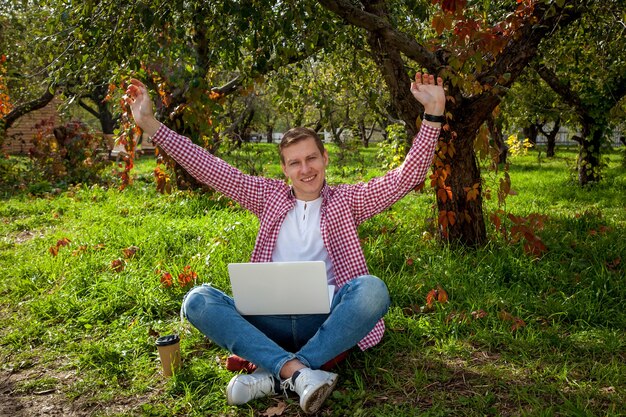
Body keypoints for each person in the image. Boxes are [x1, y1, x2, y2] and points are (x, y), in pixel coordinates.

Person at [125, 73, 445, 414]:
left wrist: (434, 112)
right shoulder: (267, 196)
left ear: (325, 159)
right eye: (295, 162)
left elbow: (407, 176)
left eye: (311, 159)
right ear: (284, 169)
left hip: (324, 319)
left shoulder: (348, 200)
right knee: (198, 300)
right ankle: (299, 373)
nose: (305, 169)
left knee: (373, 291)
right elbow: (207, 166)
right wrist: (149, 123)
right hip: (267, 318)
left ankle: (274, 373)